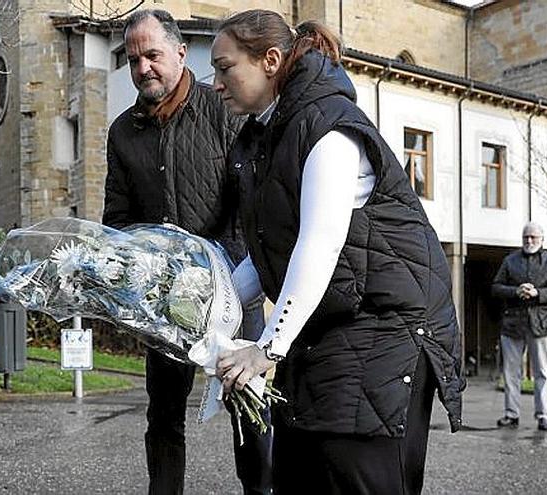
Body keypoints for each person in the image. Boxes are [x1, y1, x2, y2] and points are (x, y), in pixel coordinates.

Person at [211, 10, 464, 494]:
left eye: (225, 68)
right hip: (329, 329)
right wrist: (200, 305)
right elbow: (267, 253)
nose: (216, 83)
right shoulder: (266, 137)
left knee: (355, 474)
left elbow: (320, 242)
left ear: (269, 60)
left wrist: (268, 347)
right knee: (296, 473)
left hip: (387, 331)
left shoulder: (327, 126)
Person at [102, 9, 272, 495]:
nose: (143, 69)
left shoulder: (223, 107)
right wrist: (131, 278)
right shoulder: (122, 132)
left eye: (152, 55)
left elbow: (251, 199)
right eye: (133, 60)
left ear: (180, 52)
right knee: (163, 416)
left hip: (233, 290)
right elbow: (117, 218)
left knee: (250, 408)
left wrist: (231, 271)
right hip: (164, 300)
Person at [492, 221, 547, 431]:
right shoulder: (510, 260)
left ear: (542, 239)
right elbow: (496, 287)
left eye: (533, 237)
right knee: (510, 372)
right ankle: (511, 414)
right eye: (526, 237)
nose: (529, 240)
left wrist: (539, 293)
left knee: (541, 372)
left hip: (541, 324)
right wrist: (515, 291)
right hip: (513, 324)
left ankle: (543, 415)